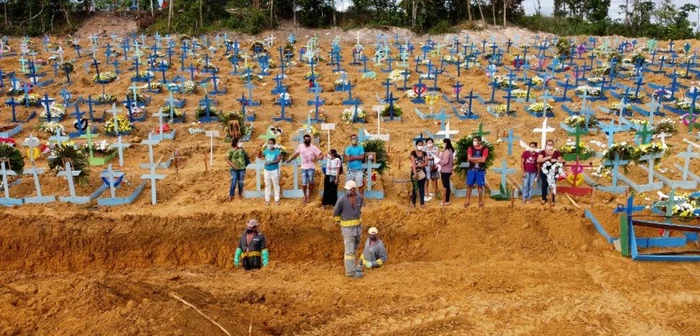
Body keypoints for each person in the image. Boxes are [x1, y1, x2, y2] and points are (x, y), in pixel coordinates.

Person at [333, 180, 364, 279]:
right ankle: (350, 272)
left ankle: (352, 267)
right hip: (347, 230)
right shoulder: (342, 200)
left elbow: (359, 211)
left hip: (357, 229)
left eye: (349, 189)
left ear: (354, 189)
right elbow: (335, 214)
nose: (347, 191)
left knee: (354, 248)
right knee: (349, 250)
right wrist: (341, 222)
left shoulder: (359, 198)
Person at [286, 134, 323, 204]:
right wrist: (290, 159)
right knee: (304, 183)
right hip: (303, 167)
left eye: (308, 139)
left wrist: (316, 159)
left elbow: (321, 154)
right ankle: (305, 195)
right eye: (306, 139)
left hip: (311, 167)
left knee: (311, 182)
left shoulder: (313, 147)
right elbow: (296, 154)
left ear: (310, 140)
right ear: (304, 140)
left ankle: (309, 196)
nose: (307, 140)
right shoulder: (300, 146)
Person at [537, 139, 562, 206]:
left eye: (551, 144)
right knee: (544, 185)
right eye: (548, 144)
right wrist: (546, 158)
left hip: (553, 172)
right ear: (546, 145)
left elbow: (560, 161)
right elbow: (538, 160)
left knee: (552, 185)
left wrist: (556, 160)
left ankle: (552, 200)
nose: (549, 146)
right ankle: (544, 198)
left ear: (553, 145)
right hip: (544, 171)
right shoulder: (542, 152)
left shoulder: (557, 152)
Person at [465, 136, 488, 208]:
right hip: (471, 169)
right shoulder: (470, 148)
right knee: (469, 185)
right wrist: (479, 158)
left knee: (480, 186)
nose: (474, 142)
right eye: (473, 140)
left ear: (480, 141)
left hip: (480, 170)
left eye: (475, 141)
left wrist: (473, 159)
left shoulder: (485, 149)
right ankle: (467, 200)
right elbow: (469, 158)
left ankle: (480, 200)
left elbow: (483, 160)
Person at [260, 138, 282, 206]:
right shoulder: (266, 151)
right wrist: (259, 148)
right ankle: (267, 200)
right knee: (267, 185)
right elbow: (259, 156)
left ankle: (277, 199)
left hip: (274, 170)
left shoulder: (277, 151)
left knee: (276, 184)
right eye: (269, 143)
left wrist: (270, 162)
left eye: (271, 143)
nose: (270, 144)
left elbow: (278, 160)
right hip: (267, 170)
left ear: (274, 144)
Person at [434, 138, 455, 206]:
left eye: (443, 143)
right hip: (447, 170)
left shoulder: (447, 151)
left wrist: (438, 161)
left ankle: (446, 201)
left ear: (446, 143)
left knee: (446, 186)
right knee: (446, 185)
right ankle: (445, 200)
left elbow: (445, 161)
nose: (443, 144)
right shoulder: (449, 150)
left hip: (445, 170)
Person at [410, 139, 428, 208]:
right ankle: (413, 202)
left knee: (421, 188)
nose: (420, 146)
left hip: (422, 173)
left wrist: (419, 166)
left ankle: (422, 203)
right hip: (414, 173)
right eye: (419, 145)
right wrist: (415, 173)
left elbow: (426, 163)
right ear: (416, 145)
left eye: (421, 145)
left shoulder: (424, 153)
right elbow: (413, 163)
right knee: (415, 188)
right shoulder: (413, 153)